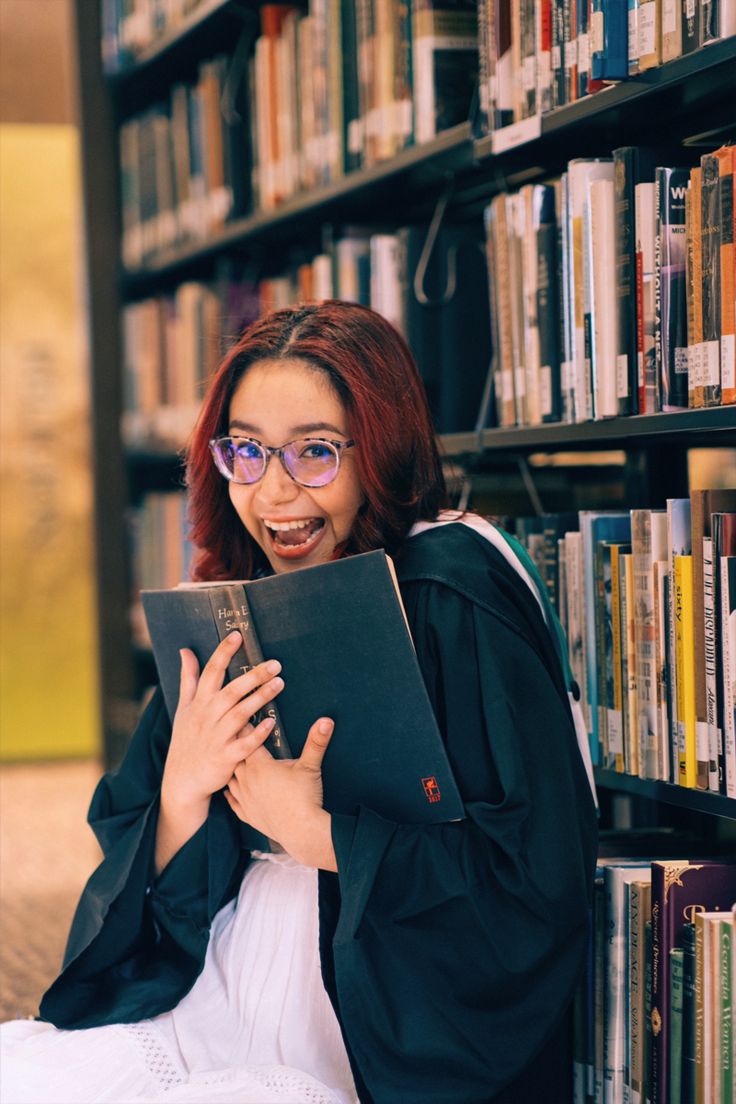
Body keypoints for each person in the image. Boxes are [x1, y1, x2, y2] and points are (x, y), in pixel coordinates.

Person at [1, 301, 597, 1104]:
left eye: (316, 452)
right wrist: (185, 791)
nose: (274, 492)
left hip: (363, 1026)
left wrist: (319, 836)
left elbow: (533, 880)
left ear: (380, 448)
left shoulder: (454, 592)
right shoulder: (229, 602)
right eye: (245, 451)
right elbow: (129, 872)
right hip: (212, 991)